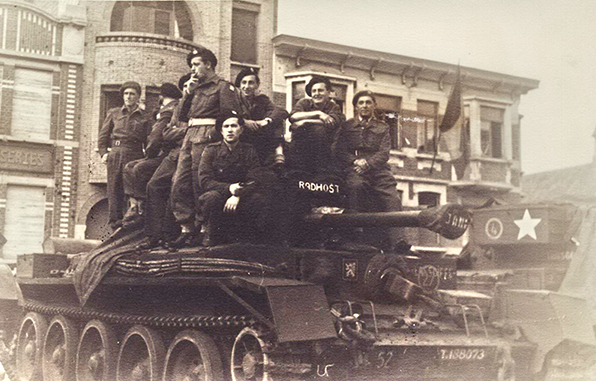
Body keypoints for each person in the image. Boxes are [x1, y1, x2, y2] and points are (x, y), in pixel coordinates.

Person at [169, 47, 240, 248]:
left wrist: (217, 140)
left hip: (208, 135)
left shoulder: (223, 87)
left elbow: (230, 116)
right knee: (178, 182)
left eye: (196, 64)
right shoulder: (194, 87)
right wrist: (187, 93)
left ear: (208, 64)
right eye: (191, 65)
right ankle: (186, 227)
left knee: (199, 182)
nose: (193, 69)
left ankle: (203, 228)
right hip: (189, 136)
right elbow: (182, 117)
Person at [333, 90, 404, 250]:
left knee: (392, 198)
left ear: (374, 106)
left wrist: (368, 164)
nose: (364, 106)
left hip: (378, 170)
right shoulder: (347, 126)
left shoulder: (383, 127)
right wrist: (355, 161)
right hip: (355, 168)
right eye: (361, 103)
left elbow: (384, 152)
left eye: (368, 102)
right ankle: (356, 235)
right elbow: (339, 150)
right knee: (355, 187)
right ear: (356, 107)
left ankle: (399, 240)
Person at [198, 112, 268, 245]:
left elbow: (255, 179)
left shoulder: (249, 150)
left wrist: (238, 194)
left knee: (258, 200)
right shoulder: (211, 150)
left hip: (241, 196)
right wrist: (229, 188)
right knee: (210, 198)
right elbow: (205, 180)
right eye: (226, 126)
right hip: (219, 194)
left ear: (241, 130)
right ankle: (212, 235)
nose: (230, 130)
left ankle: (246, 238)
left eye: (234, 126)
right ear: (221, 131)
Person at [121, 82, 183, 227]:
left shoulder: (168, 110)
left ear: (161, 97)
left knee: (138, 168)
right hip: (166, 152)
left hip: (167, 154)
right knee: (130, 167)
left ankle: (140, 207)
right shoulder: (172, 108)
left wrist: (150, 153)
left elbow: (156, 137)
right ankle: (134, 205)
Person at [98, 81, 151, 230]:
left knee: (132, 189)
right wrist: (103, 153)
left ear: (138, 97)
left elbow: (148, 140)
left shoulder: (144, 117)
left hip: (134, 154)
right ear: (122, 96)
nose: (129, 97)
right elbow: (103, 136)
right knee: (114, 188)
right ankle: (114, 224)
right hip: (115, 153)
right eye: (126, 94)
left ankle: (130, 224)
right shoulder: (114, 113)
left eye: (132, 94)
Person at [288, 75, 345, 174]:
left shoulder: (333, 107)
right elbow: (293, 117)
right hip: (301, 149)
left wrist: (305, 122)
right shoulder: (304, 103)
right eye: (314, 91)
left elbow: (332, 123)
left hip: (323, 152)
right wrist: (318, 114)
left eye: (320, 90)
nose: (316, 94)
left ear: (328, 92)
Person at [235, 67, 288, 166]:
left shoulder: (262, 100)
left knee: (275, 118)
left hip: (258, 136)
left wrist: (267, 120)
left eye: (251, 83)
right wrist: (244, 121)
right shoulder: (234, 100)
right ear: (239, 84)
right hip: (241, 136)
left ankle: (278, 153)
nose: (247, 86)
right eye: (244, 82)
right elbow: (226, 114)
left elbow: (281, 111)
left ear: (257, 85)